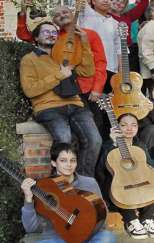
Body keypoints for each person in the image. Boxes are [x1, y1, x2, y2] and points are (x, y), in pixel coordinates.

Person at [10, 143, 115, 243]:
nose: (69, 164)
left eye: (73, 160)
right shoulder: (44, 188)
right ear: (53, 163)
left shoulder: (88, 183)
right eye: (63, 160)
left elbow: (102, 212)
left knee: (108, 237)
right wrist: (28, 199)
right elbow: (31, 228)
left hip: (82, 240)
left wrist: (89, 232)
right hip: (55, 242)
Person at [19, 21, 102, 177]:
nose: (51, 35)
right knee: (64, 139)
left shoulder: (64, 55)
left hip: (75, 104)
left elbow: (88, 71)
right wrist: (60, 75)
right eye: (46, 32)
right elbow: (30, 90)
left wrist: (84, 42)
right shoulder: (29, 60)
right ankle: (60, 182)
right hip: (48, 107)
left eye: (54, 32)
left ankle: (83, 182)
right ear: (36, 37)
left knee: (95, 140)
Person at [96, 113, 154, 240]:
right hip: (118, 188)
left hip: (139, 183)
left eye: (133, 125)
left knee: (153, 181)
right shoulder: (108, 144)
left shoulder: (139, 145)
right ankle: (131, 220)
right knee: (118, 180)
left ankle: (147, 219)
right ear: (116, 128)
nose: (129, 128)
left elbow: (150, 162)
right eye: (124, 125)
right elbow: (101, 165)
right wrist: (114, 144)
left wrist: (150, 168)